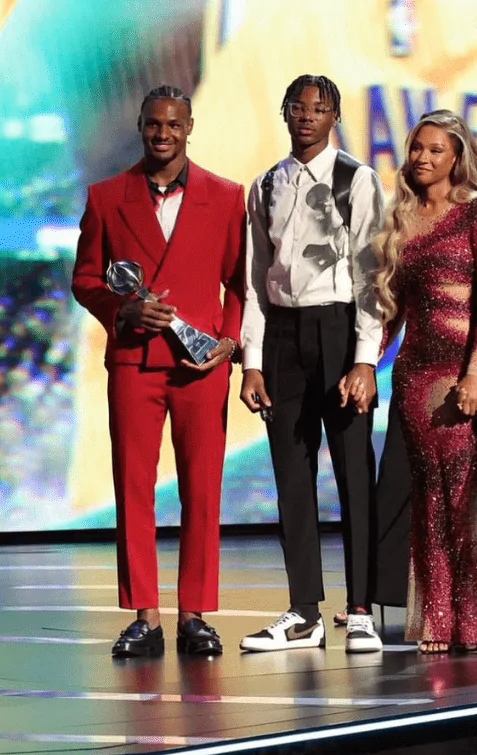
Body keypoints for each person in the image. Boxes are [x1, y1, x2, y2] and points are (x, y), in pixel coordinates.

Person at [72, 84, 245, 658]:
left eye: (173, 124)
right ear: (141, 126)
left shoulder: (226, 196)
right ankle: (144, 615)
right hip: (134, 360)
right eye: (153, 124)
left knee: (203, 490)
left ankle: (195, 614)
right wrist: (123, 310)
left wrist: (228, 341)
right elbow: (86, 279)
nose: (163, 133)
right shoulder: (106, 196)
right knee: (133, 489)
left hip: (201, 365)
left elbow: (239, 283)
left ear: (189, 127)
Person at [238, 75, 385, 654]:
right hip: (282, 336)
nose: (306, 116)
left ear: (334, 116)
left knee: (354, 474)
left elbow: (372, 274)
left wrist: (365, 360)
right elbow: (255, 278)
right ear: (284, 112)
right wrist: (252, 361)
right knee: (291, 478)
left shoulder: (356, 179)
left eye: (319, 108)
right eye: (297, 107)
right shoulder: (265, 185)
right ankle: (304, 612)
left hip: (338, 329)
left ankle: (361, 610)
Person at [368, 111, 477, 616]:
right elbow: (393, 306)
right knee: (408, 484)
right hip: (416, 366)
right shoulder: (401, 216)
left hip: (473, 360)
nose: (423, 158)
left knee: (467, 490)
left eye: (436, 150)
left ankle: (471, 609)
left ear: (457, 157)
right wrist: (365, 363)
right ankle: (408, 602)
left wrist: (476, 373)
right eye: (417, 148)